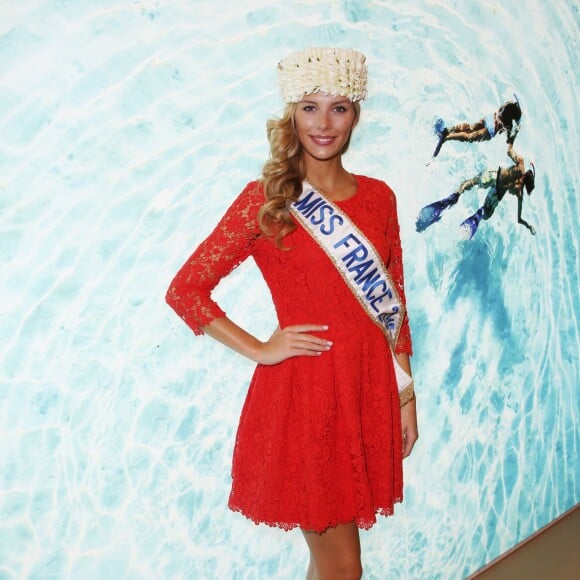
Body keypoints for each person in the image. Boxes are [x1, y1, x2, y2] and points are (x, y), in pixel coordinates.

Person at [166, 47, 418, 579]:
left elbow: (394, 304)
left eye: (339, 108)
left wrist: (406, 398)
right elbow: (186, 290)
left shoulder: (379, 198)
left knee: (335, 565)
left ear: (356, 114)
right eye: (309, 107)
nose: (324, 124)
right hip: (308, 400)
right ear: (291, 114)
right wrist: (260, 346)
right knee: (343, 567)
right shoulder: (268, 200)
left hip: (364, 391)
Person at [416, 139, 536, 239]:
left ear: (526, 173)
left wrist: (512, 136)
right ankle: (477, 216)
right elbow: (519, 219)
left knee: (472, 182)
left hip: (495, 176)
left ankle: (454, 196)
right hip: (497, 193)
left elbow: (509, 150)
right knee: (486, 212)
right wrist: (528, 225)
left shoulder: (520, 164)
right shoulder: (519, 192)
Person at [433, 98, 522, 157]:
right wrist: (515, 133)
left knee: (469, 127)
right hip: (490, 130)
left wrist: (497, 117)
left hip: (489, 118)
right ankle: (446, 138)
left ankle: (447, 130)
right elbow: (508, 140)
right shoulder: (508, 125)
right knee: (469, 137)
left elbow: (500, 109)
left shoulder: (506, 106)